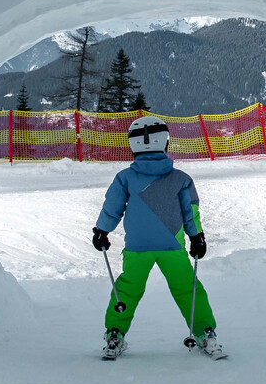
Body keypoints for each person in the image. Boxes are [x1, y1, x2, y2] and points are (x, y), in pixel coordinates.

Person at [92, 115, 223, 360]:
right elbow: (190, 212)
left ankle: (115, 333)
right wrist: (197, 237)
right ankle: (205, 331)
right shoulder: (181, 179)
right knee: (187, 288)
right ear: (165, 142)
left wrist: (102, 230)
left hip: (137, 247)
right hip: (171, 246)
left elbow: (113, 207)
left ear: (133, 145)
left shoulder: (126, 178)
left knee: (128, 290)